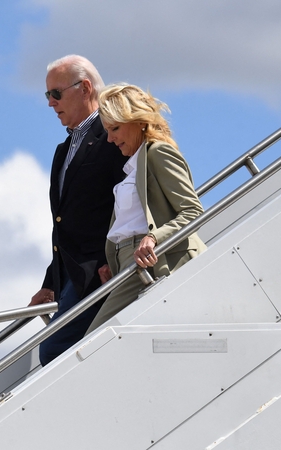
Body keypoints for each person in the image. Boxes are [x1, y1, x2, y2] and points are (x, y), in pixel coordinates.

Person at [29, 55, 128, 366]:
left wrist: (112, 257)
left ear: (85, 88)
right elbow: (66, 224)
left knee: (53, 350)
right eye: (47, 95)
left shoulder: (113, 136)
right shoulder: (64, 149)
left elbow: (127, 199)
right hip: (71, 276)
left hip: (99, 271)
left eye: (56, 94)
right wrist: (50, 281)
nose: (50, 103)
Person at [86, 83, 207, 333]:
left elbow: (193, 211)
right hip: (130, 267)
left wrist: (153, 238)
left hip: (151, 262)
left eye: (115, 128)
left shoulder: (158, 152)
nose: (110, 139)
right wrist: (115, 264)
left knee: (94, 341)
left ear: (138, 121)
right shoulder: (133, 166)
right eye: (108, 131)